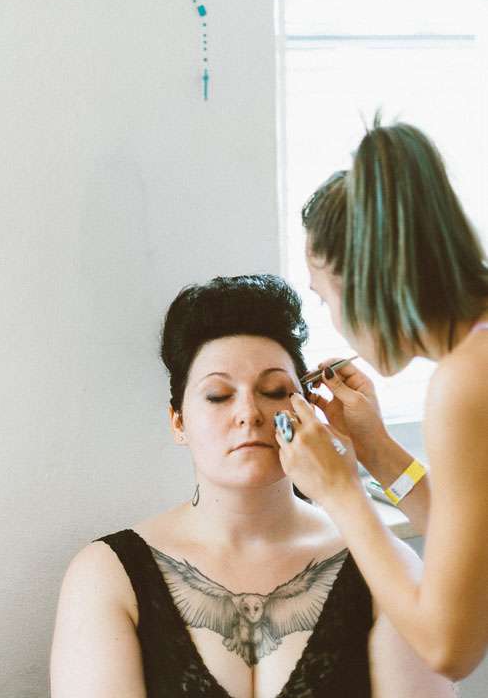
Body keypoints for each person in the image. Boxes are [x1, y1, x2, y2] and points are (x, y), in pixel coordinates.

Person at [50, 274, 453, 697]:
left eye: (274, 391)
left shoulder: (383, 567)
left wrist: (371, 455)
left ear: (308, 407)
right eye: (218, 395)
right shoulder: (107, 574)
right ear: (179, 422)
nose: (249, 413)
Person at [274, 117, 488, 681]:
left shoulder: (465, 381)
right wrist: (376, 451)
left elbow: (451, 648)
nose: (332, 321)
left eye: (325, 299)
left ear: (366, 279)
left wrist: (339, 491)